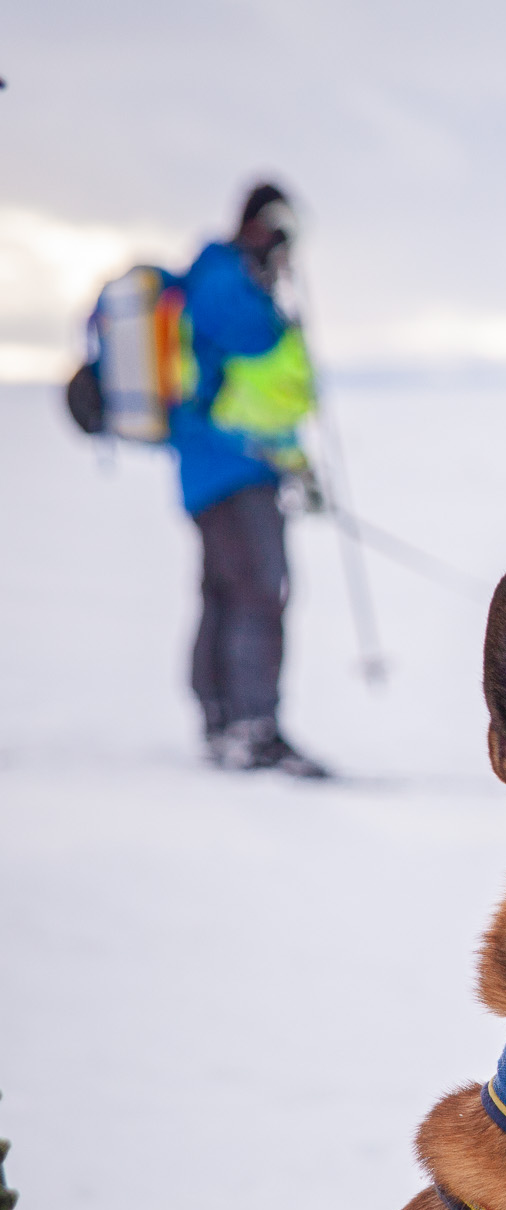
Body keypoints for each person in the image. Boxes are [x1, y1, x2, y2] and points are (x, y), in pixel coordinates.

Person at [171, 181, 326, 776]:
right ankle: (250, 727)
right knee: (260, 590)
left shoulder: (217, 282)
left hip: (224, 472)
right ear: (264, 228)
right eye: (284, 238)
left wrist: (296, 463)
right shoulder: (227, 286)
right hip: (233, 472)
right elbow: (260, 377)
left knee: (228, 589)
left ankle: (223, 719)